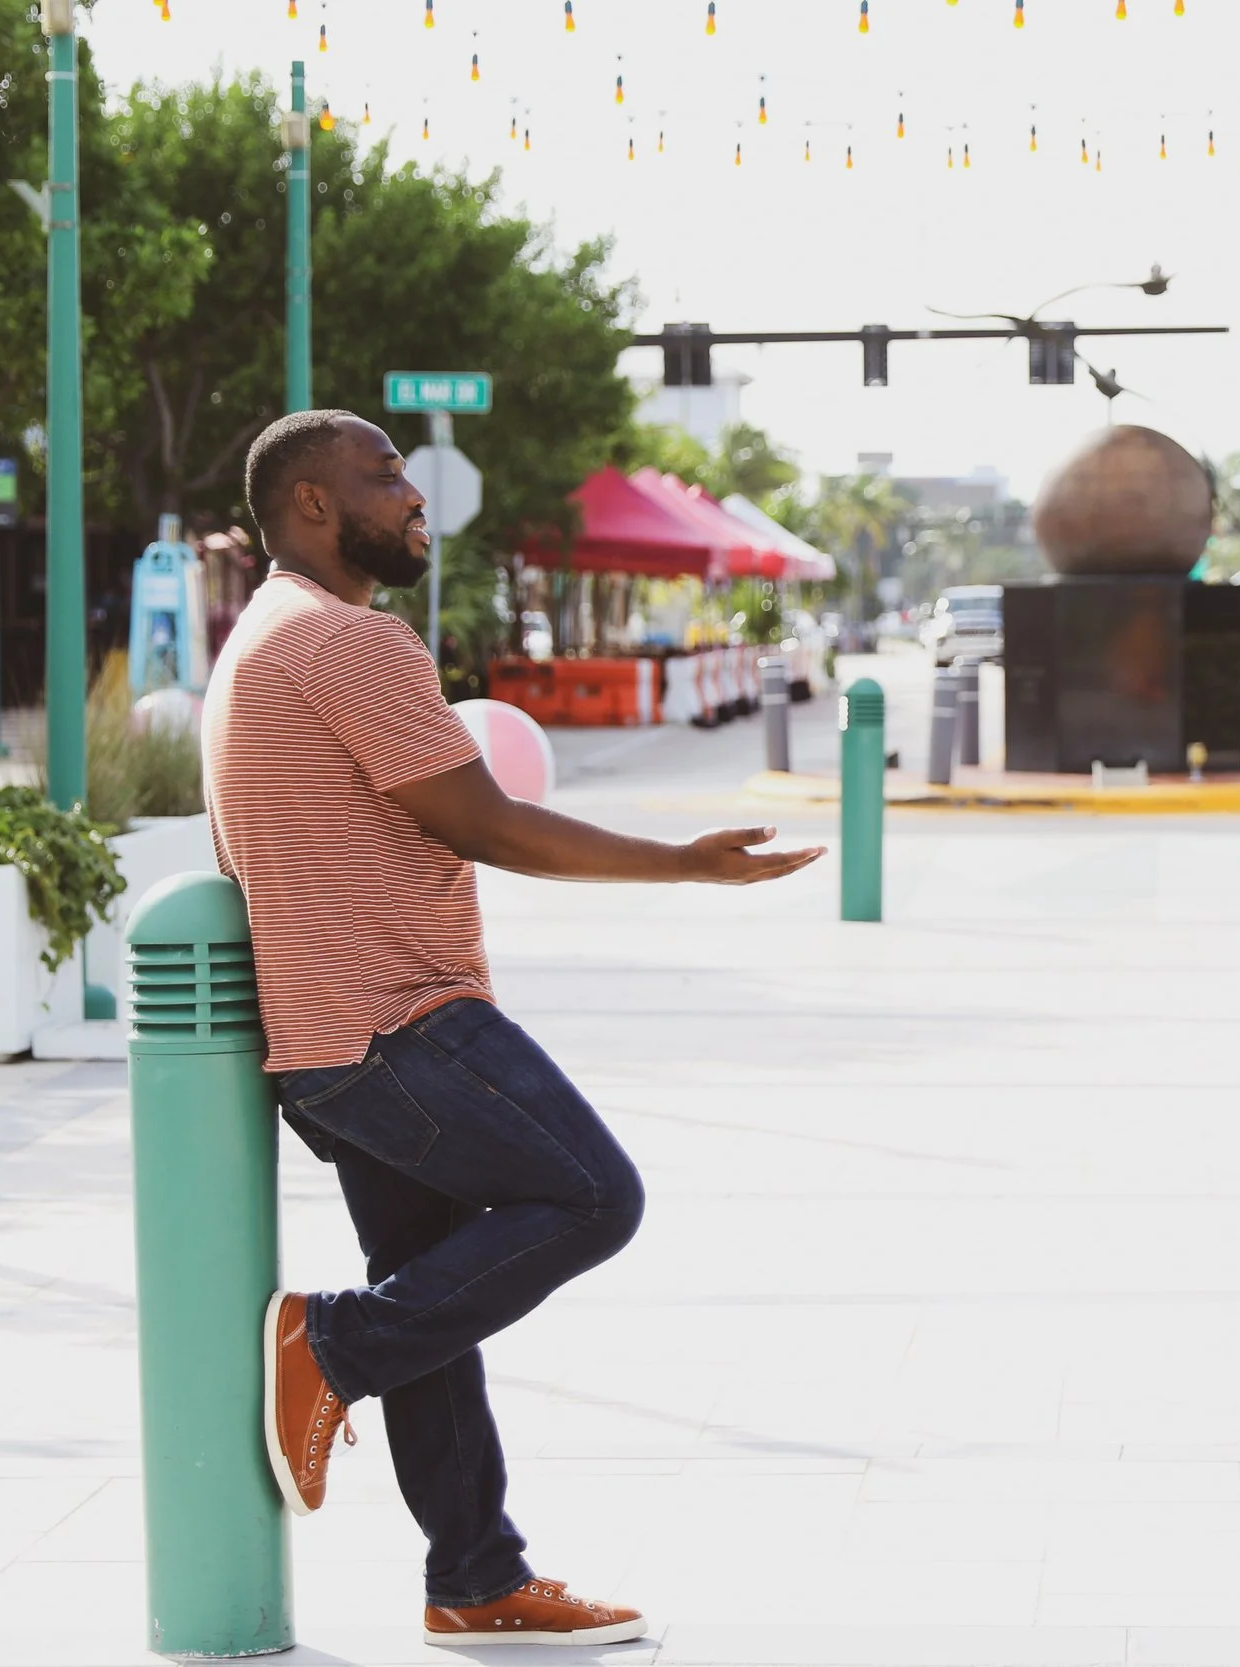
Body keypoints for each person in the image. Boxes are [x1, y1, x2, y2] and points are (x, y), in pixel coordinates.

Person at [205, 409, 823, 1649]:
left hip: (328, 1039)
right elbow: (486, 820)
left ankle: (475, 1579)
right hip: (396, 1024)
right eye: (385, 478)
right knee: (595, 1198)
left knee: (437, 1300)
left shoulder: (259, 634)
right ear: (312, 505)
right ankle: (326, 1343)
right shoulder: (347, 640)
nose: (414, 495)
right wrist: (685, 867)